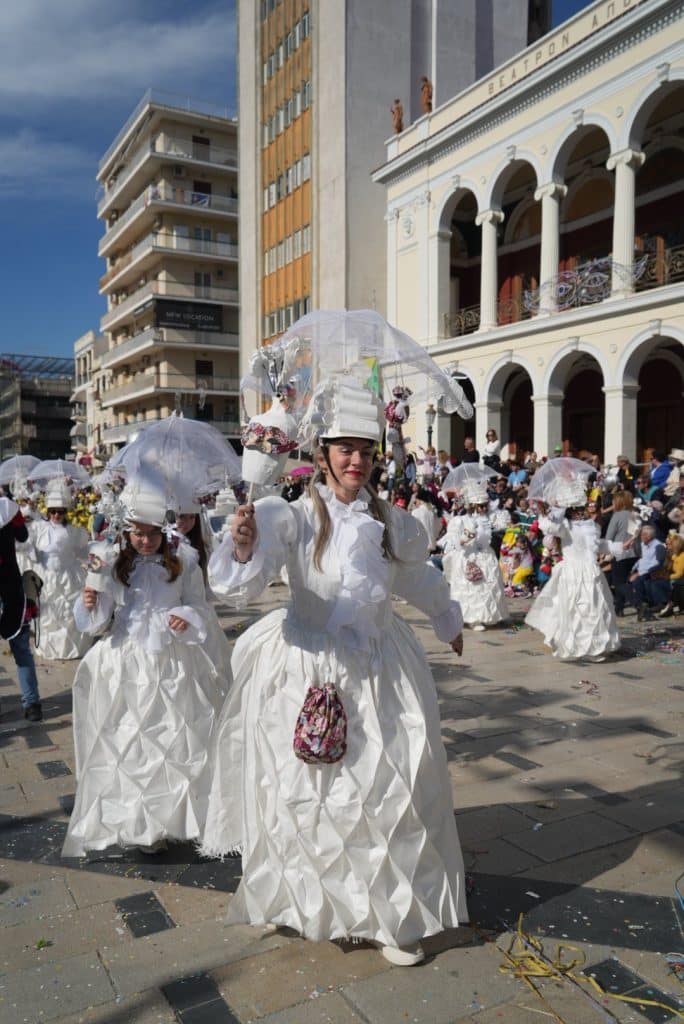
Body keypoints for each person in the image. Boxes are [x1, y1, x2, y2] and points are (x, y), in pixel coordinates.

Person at [202, 377, 467, 966]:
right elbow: (242, 587)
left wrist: (447, 618)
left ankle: (391, 916)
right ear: (321, 454)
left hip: (380, 671)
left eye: (366, 451)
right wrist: (243, 546)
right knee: (308, 794)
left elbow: (415, 576)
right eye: (345, 449)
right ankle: (303, 898)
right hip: (307, 671)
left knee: (387, 789)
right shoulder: (289, 517)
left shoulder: (392, 522)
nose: (357, 461)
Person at [62, 475, 223, 857]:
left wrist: (186, 616)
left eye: (153, 533)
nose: (146, 541)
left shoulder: (184, 560)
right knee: (130, 740)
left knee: (173, 740)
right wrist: (91, 602)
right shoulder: (111, 563)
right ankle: (141, 824)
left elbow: (199, 605)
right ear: (126, 531)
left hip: (172, 662)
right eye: (138, 533)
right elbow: (99, 621)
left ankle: (173, 818)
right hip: (127, 662)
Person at [525, 473, 625, 661]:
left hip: (592, 572)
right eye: (576, 509)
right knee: (576, 609)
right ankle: (577, 645)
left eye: (582, 508)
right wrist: (550, 509)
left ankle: (595, 646)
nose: (581, 512)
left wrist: (619, 546)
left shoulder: (591, 525)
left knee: (595, 609)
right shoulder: (564, 526)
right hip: (572, 572)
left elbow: (597, 545)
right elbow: (549, 528)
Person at [24, 478, 90, 660]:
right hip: (46, 576)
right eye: (53, 511)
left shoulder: (73, 531)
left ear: (65, 512)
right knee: (48, 614)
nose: (56, 515)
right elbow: (27, 544)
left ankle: (67, 648)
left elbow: (82, 550)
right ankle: (49, 647)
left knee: (68, 613)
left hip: (68, 577)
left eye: (60, 512)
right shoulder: (39, 528)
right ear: (48, 511)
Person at [441, 481, 507, 631]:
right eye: (480, 506)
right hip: (469, 557)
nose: (483, 509)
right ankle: (473, 618)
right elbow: (452, 544)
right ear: (471, 506)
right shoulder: (460, 521)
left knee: (489, 586)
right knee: (473, 587)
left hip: (486, 555)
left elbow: (496, 530)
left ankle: (488, 616)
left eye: (485, 505)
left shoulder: (487, 519)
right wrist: (465, 538)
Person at [0, 497, 42, 721]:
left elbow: (23, 536)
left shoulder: (7, 508)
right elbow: (23, 536)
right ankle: (31, 703)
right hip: (11, 589)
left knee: (21, 648)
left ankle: (32, 702)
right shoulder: (7, 508)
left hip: (11, 591)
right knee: (22, 651)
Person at [604, 490, 640, 616]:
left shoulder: (617, 516)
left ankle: (638, 604)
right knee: (624, 581)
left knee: (619, 583)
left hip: (621, 552)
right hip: (635, 552)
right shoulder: (635, 514)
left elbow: (609, 536)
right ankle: (618, 607)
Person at [627, 523, 669, 620]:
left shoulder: (658, 546)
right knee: (627, 582)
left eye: (643, 534)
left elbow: (657, 563)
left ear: (649, 536)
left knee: (637, 582)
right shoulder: (644, 545)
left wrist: (639, 573)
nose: (641, 537)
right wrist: (633, 569)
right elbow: (642, 559)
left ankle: (643, 607)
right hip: (641, 571)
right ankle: (642, 607)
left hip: (652, 572)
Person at [656, 533, 684, 617]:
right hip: (675, 579)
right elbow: (666, 568)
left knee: (675, 585)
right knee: (656, 582)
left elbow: (679, 574)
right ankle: (672, 607)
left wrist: (667, 577)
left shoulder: (682, 556)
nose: (667, 546)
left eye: (669, 544)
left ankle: (673, 607)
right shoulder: (673, 555)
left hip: (679, 579)